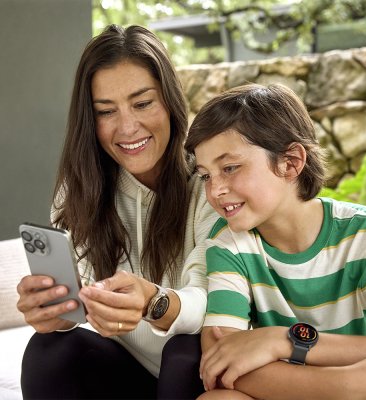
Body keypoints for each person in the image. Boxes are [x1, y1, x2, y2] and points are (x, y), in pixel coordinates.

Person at [16, 24, 218, 400]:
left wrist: (154, 302)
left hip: (200, 369)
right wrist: (56, 312)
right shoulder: (80, 189)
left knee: (184, 351)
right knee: (48, 351)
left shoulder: (211, 180)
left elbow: (219, 301)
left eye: (142, 104)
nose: (127, 128)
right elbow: (82, 297)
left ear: (170, 101)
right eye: (106, 111)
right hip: (132, 371)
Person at [184, 83, 366, 400]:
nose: (214, 190)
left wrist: (283, 342)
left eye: (230, 168)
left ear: (291, 162)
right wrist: (351, 383)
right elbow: (219, 362)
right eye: (206, 175)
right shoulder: (229, 243)